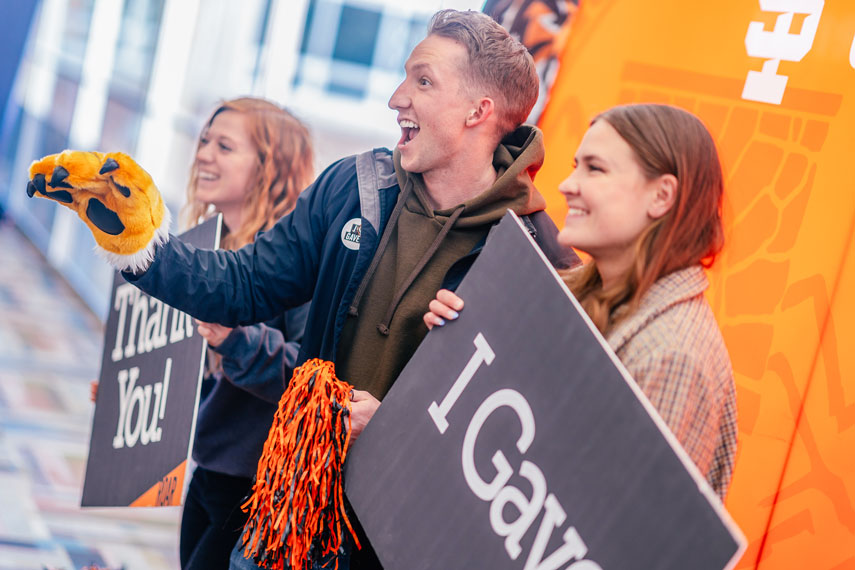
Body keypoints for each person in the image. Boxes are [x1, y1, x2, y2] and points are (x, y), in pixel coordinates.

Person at [28, 9, 577, 569]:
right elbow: (244, 284)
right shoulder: (354, 185)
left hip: (401, 546)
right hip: (287, 518)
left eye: (423, 81)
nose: (395, 98)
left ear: (477, 112)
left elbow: (533, 442)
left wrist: (393, 427)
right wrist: (143, 243)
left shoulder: (534, 255)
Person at [425, 103, 738, 500]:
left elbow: (619, 532)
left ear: (661, 196)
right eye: (577, 165)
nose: (567, 184)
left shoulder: (672, 358)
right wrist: (451, 353)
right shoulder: (568, 291)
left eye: (595, 169)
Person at [169, 97, 314, 570]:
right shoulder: (214, 247)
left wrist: (235, 340)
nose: (204, 154)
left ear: (269, 168)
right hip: (210, 466)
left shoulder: (292, 266)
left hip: (257, 486)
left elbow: (309, 373)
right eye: (205, 140)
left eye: (224, 146)